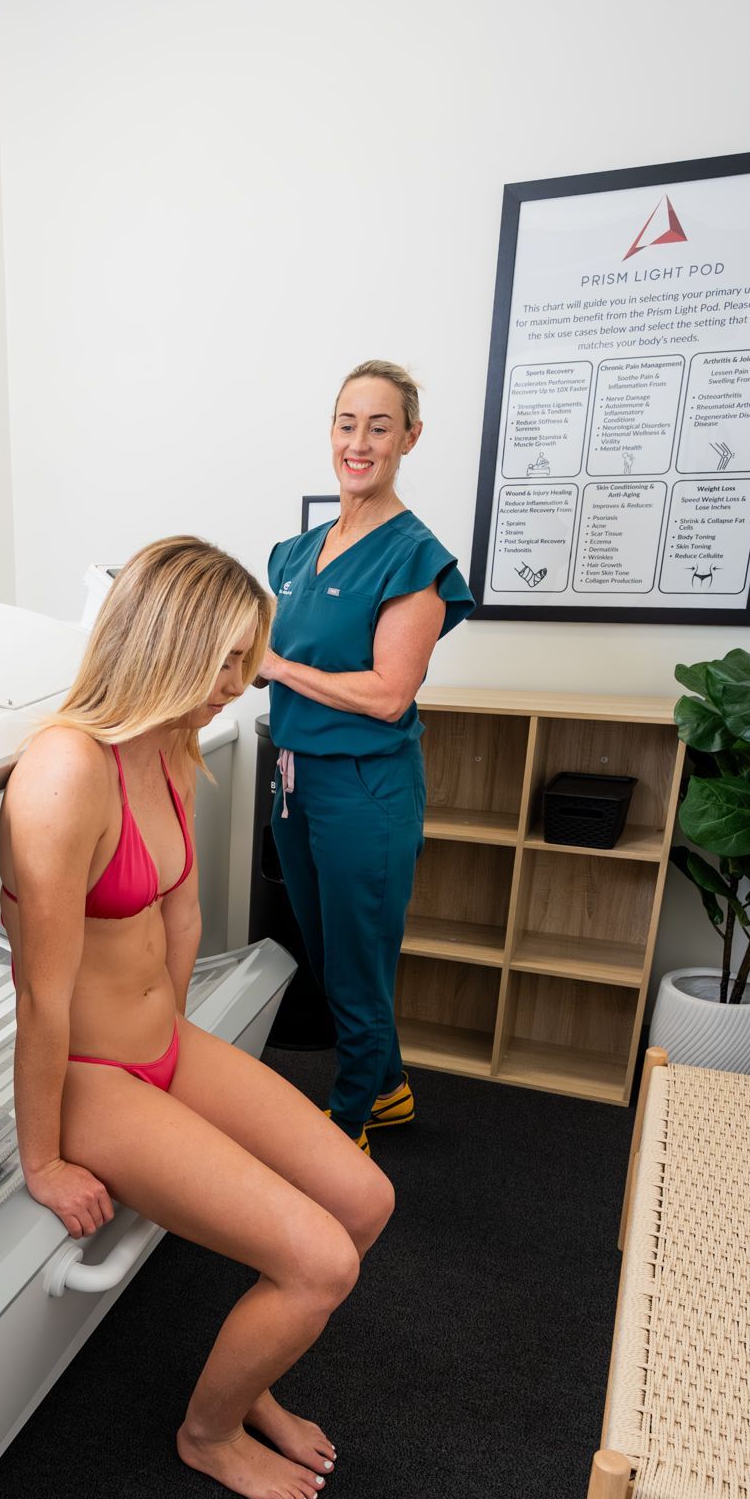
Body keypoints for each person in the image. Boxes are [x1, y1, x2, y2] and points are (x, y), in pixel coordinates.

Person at [0, 536, 393, 1499]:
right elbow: (43, 996)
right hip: (90, 1074)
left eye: (248, 659)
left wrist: (181, 1056)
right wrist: (44, 1159)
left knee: (366, 1199)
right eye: (228, 660)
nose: (242, 682)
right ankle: (208, 1431)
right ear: (165, 641)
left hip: (162, 1048)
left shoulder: (171, 747)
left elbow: (180, 911)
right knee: (319, 1262)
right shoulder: (63, 773)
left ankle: (251, 1378)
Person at [256, 361, 475, 1148]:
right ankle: (386, 1087)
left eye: (380, 427)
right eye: (348, 423)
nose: (360, 441)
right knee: (327, 954)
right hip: (294, 780)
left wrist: (276, 668)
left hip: (364, 789)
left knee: (359, 963)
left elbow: (388, 693)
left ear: (410, 438)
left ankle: (347, 1122)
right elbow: (262, 646)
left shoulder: (415, 560)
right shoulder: (295, 551)